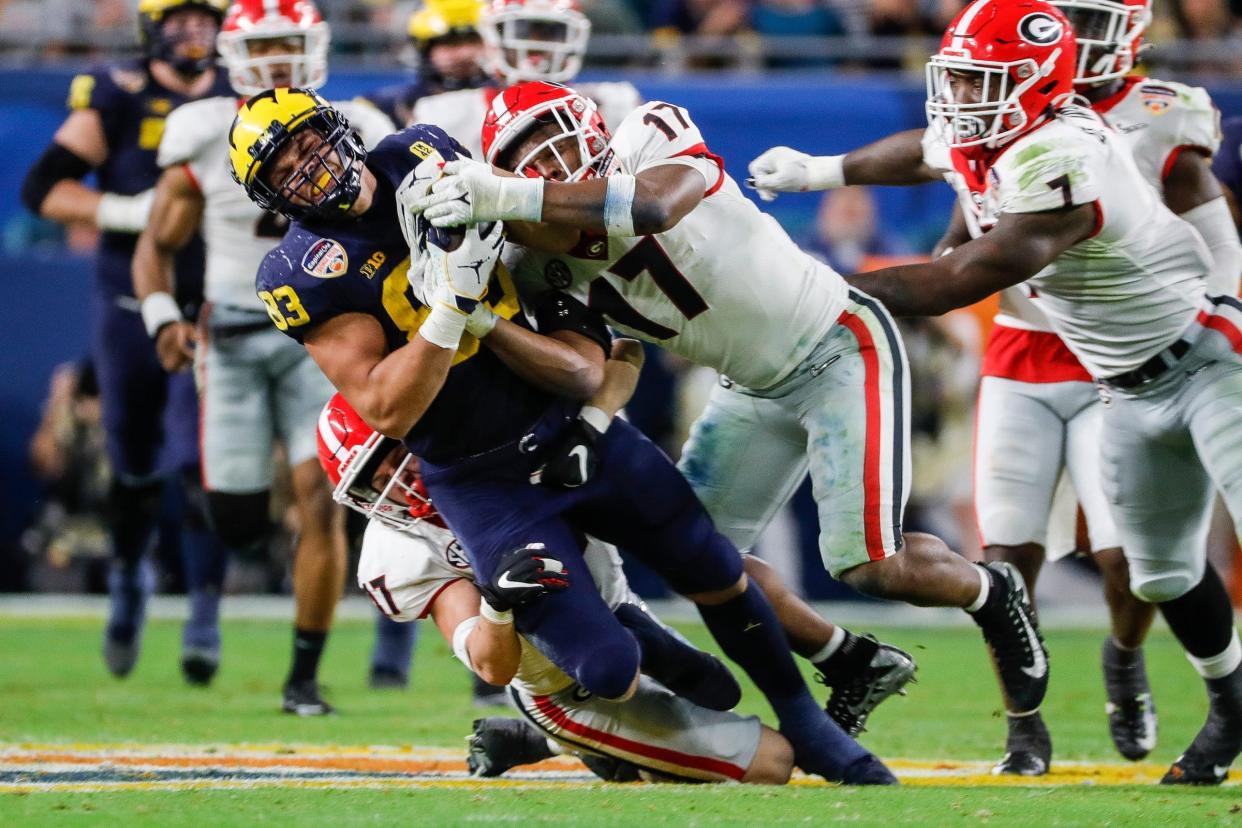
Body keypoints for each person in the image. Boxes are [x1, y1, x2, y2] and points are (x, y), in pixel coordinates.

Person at [227, 87, 894, 784]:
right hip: (480, 477)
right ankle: (603, 694)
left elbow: (552, 268)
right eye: (285, 169)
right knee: (606, 667)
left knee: (712, 564)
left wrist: (498, 209)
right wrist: (451, 310)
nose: (308, 167)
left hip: (557, 414)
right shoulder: (299, 274)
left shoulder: (418, 151)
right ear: (273, 197)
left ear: (337, 127)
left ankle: (808, 720)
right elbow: (388, 412)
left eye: (308, 143)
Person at [410, 80, 1047, 739]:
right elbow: (617, 350)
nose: (544, 159)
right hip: (748, 385)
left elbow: (654, 206)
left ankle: (989, 590)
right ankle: (850, 660)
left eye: (548, 135)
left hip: (835, 343)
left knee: (869, 564)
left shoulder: (650, 133)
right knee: (697, 557)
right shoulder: (538, 261)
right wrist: (594, 419)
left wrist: (504, 192)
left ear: (588, 124)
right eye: (525, 153)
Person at [748, 0, 1242, 776]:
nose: (962, 101)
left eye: (984, 83)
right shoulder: (1003, 126)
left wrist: (799, 289)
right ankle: (1231, 711)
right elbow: (925, 148)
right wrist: (821, 171)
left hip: (1212, 360)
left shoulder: (1061, 153)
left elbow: (955, 279)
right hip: (1125, 388)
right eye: (962, 80)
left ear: (1039, 85)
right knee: (1159, 573)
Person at [318, 372, 796, 783]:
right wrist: (496, 604)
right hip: (559, 690)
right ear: (361, 494)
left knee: (711, 690)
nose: (400, 473)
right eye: (376, 475)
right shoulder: (401, 551)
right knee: (773, 761)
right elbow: (491, 667)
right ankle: (558, 735)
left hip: (616, 612)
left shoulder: (501, 445)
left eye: (395, 448)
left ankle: (558, 741)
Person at [130, 0, 394, 709]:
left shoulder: (359, 126)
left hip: (331, 333)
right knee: (238, 520)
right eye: (265, 48)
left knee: (325, 500)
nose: (278, 63)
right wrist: (162, 316)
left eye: (291, 46)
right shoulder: (204, 130)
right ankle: (253, 520)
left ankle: (303, 678)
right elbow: (156, 243)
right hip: (237, 334)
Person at [19, 0, 233, 681]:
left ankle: (204, 609)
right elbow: (42, 186)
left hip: (211, 297)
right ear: (152, 27)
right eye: (181, 19)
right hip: (130, 297)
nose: (194, 32)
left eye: (207, 18)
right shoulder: (118, 91)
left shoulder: (244, 92)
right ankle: (129, 580)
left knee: (207, 460)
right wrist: (122, 209)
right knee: (133, 458)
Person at [407, 0, 640, 158]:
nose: (535, 43)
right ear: (491, 36)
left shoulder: (616, 105)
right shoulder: (442, 114)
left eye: (551, 31)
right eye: (522, 30)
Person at [362, 0, 490, 128]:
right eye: (451, 43)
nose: (465, 53)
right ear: (425, 50)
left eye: (473, 41)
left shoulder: (505, 100)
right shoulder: (385, 107)